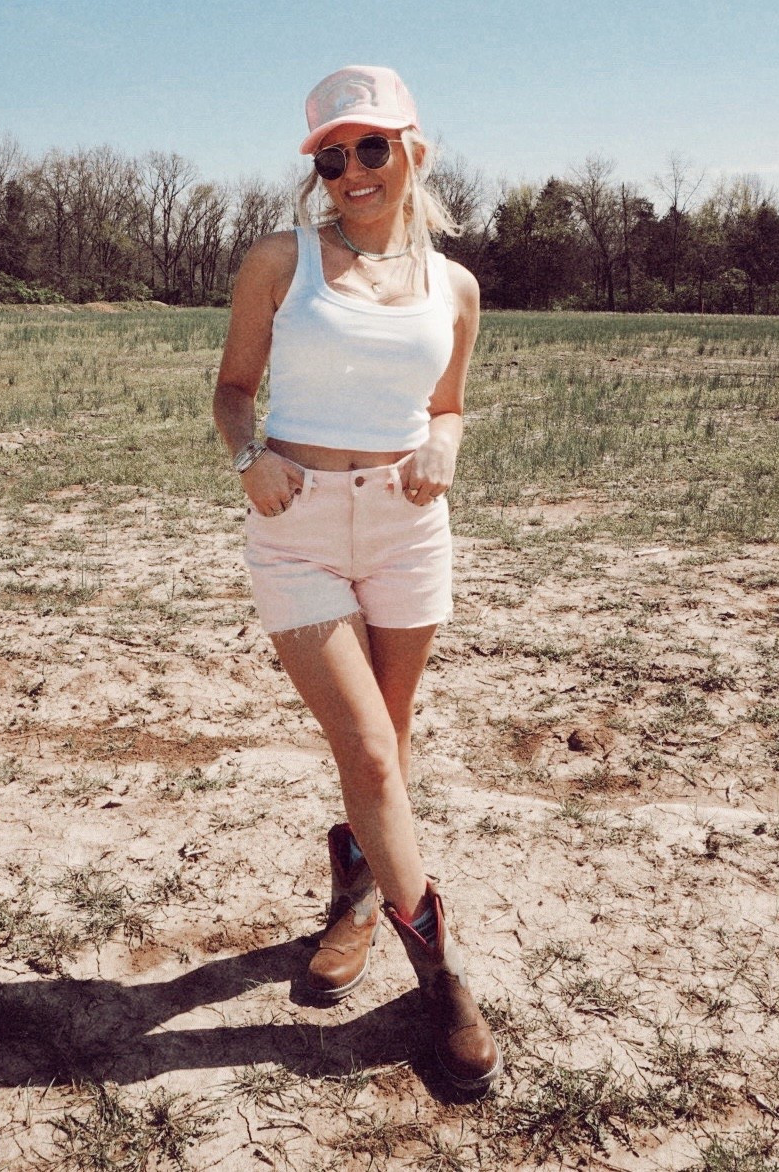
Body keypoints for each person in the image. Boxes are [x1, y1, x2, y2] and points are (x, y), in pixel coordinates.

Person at [213, 65, 499, 1091]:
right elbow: (234, 391)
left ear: (414, 148)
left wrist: (446, 447)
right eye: (330, 157)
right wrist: (253, 463)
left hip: (407, 526)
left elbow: (451, 403)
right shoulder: (279, 261)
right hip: (295, 527)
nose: (349, 172)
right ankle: (446, 983)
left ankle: (361, 887)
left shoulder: (456, 286)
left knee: (391, 738)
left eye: (369, 148)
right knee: (373, 757)